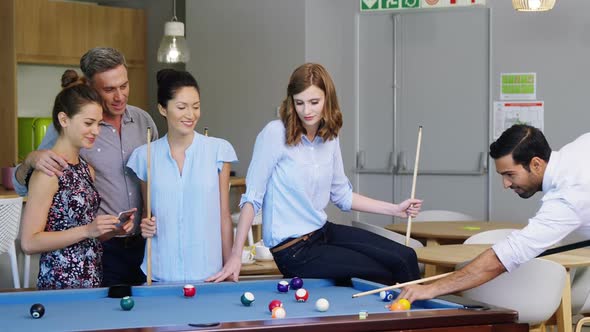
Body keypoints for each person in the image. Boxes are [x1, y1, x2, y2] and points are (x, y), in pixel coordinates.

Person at [208, 63, 422, 284]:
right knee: (384, 274)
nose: (307, 111)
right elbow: (252, 198)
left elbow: (342, 196)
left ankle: (421, 316)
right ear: (291, 102)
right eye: (299, 103)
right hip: (294, 250)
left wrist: (396, 209)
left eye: (314, 102)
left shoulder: (329, 136)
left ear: (327, 100)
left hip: (322, 232)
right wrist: (235, 256)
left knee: (405, 257)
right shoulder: (274, 133)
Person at [12, 48, 158, 286]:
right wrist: (30, 159)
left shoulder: (144, 122)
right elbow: (27, 187)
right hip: (101, 254)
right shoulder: (70, 127)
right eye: (109, 89)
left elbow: (153, 177)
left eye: (124, 86)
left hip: (140, 244)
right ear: (91, 86)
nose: (120, 96)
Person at [397, 124, 590, 303]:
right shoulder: (580, 147)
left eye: (510, 174)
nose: (505, 184)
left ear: (536, 164)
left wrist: (430, 289)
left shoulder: (567, 197)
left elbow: (502, 259)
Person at [127, 69, 237, 282]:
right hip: (160, 273)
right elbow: (147, 215)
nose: (191, 114)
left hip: (209, 275)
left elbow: (224, 216)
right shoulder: (145, 155)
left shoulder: (218, 151)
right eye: (181, 107)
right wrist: (145, 225)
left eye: (195, 107)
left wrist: (229, 268)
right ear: (163, 109)